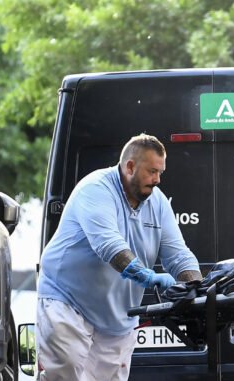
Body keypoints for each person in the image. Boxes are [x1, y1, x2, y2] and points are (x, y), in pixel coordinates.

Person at [35, 133, 202, 380]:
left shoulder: (158, 203)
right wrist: (147, 277)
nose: (157, 180)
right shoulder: (95, 189)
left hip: (117, 316)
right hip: (68, 302)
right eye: (152, 172)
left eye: (160, 173)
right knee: (64, 374)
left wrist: (197, 286)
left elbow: (178, 253)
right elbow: (109, 245)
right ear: (130, 166)